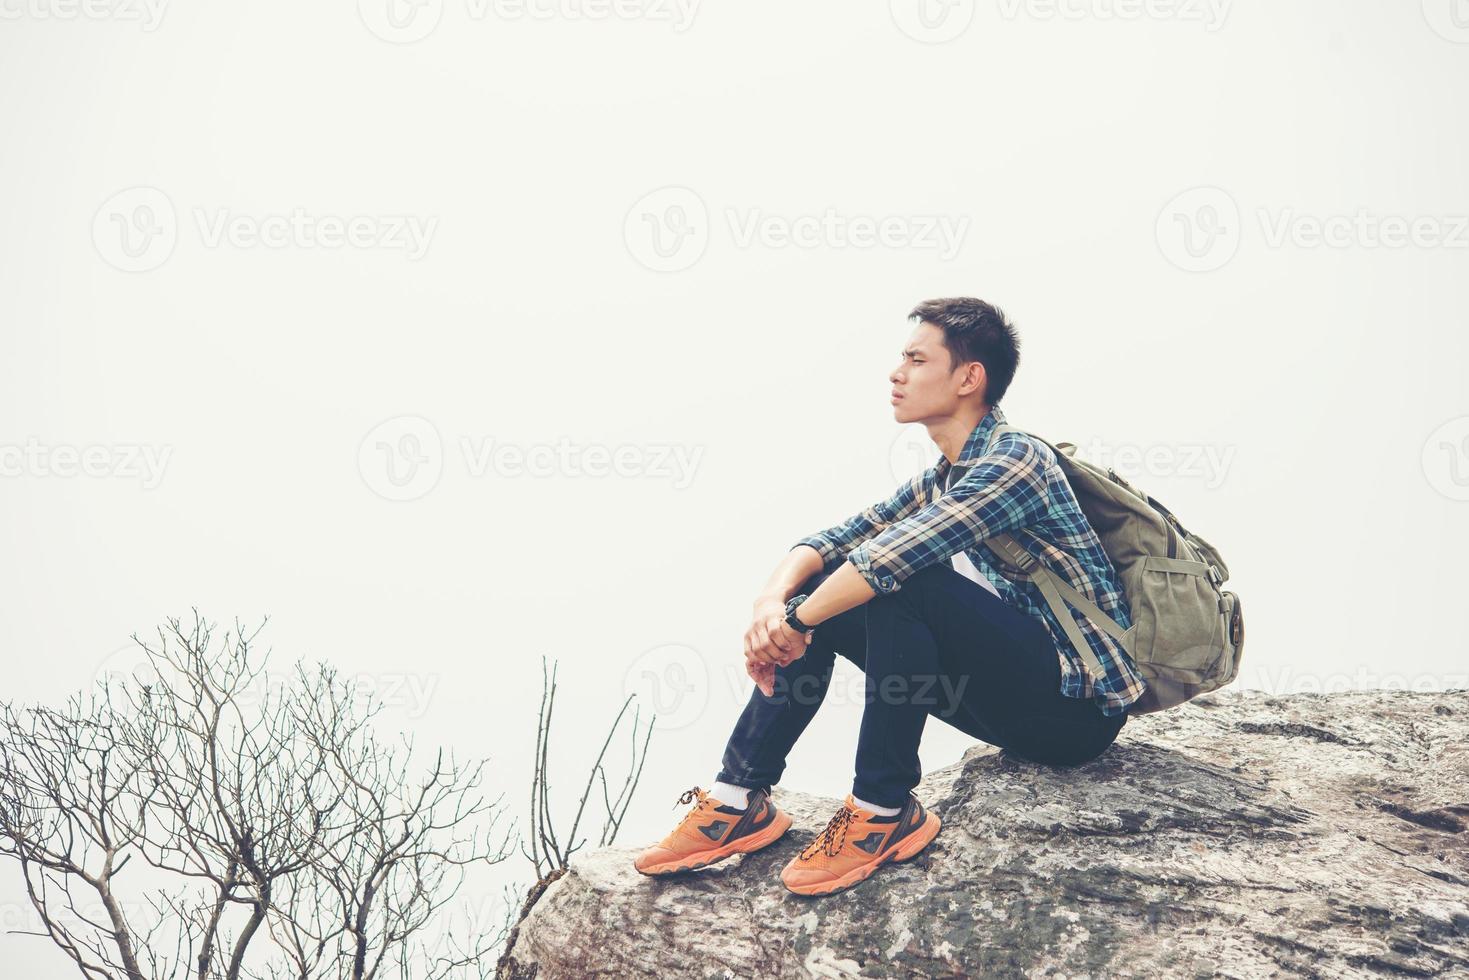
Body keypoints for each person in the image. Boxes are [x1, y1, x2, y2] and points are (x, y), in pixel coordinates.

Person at [634, 297, 1147, 897]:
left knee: (901, 583)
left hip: (1075, 714)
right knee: (827, 589)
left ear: (968, 378)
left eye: (915, 359)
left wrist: (794, 622)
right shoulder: (942, 479)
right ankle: (737, 797)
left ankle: (881, 809)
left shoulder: (1016, 461)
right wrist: (772, 608)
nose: (895, 373)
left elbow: (889, 560)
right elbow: (832, 543)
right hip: (1008, 704)